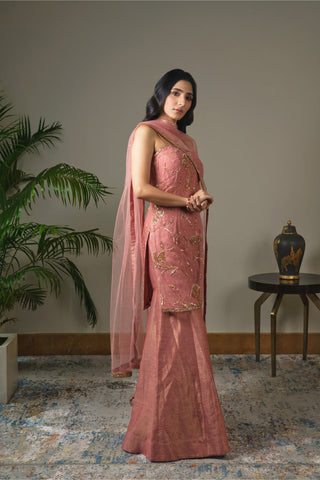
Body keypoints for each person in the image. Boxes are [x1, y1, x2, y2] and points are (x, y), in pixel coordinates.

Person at [110, 69, 230, 462]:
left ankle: (192, 425)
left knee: (187, 320)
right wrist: (185, 202)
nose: (181, 102)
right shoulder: (147, 132)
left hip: (190, 237)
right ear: (161, 93)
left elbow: (187, 187)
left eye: (189, 98)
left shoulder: (188, 140)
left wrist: (198, 197)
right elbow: (142, 188)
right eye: (175, 93)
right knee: (172, 321)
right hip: (164, 236)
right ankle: (160, 430)